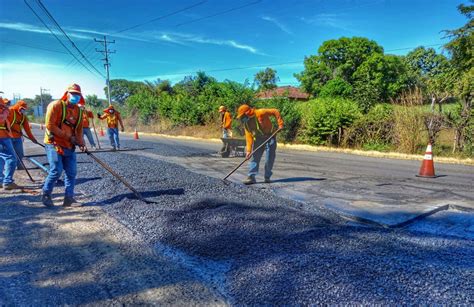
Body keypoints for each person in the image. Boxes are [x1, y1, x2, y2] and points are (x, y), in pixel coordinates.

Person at [42, 84, 86, 207]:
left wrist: (81, 142)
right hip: (54, 143)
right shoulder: (55, 106)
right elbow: (50, 125)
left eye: (78, 94)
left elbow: (78, 129)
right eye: (73, 94)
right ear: (67, 94)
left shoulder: (78, 111)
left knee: (71, 172)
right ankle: (46, 194)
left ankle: (69, 199)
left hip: (69, 145)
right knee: (56, 170)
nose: (75, 96)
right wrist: (68, 137)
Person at [236, 104, 284, 185]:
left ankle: (267, 177)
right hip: (258, 139)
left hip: (270, 136)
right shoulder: (247, 124)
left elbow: (275, 111)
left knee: (270, 158)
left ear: (248, 112)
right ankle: (251, 177)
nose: (242, 118)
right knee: (255, 157)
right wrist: (248, 151)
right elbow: (249, 137)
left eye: (243, 115)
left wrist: (280, 123)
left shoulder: (261, 112)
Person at [8, 100, 38, 169]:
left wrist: (33, 139)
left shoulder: (23, 116)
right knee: (10, 155)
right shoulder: (10, 111)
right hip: (8, 137)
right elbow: (4, 123)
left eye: (24, 109)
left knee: (20, 153)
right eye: (22, 108)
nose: (23, 110)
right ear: (18, 107)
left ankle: (19, 166)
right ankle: (9, 168)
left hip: (18, 137)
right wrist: (10, 129)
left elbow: (27, 129)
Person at [0, 99, 20, 190]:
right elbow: (1, 119)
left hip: (4, 135)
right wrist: (5, 110)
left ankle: (1, 180)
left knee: (1, 158)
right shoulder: (4, 109)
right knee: (11, 158)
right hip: (2, 136)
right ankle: (8, 182)